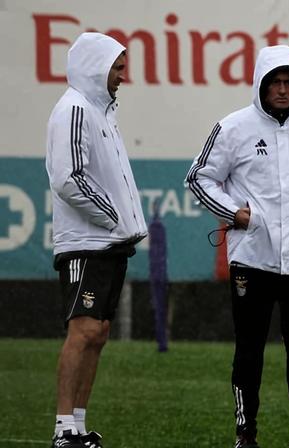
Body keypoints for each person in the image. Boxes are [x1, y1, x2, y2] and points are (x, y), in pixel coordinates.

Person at [186, 45, 289, 448]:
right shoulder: (233, 128)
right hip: (252, 258)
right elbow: (199, 178)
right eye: (275, 82)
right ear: (260, 84)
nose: (282, 89)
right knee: (250, 349)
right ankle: (246, 434)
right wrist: (235, 213)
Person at [45, 32, 147, 448]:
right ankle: (62, 428)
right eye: (117, 68)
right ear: (95, 66)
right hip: (85, 242)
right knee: (83, 330)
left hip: (108, 242)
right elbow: (68, 178)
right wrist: (113, 217)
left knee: (99, 332)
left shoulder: (102, 111)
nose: (123, 75)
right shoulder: (74, 109)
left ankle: (78, 426)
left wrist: (121, 226)